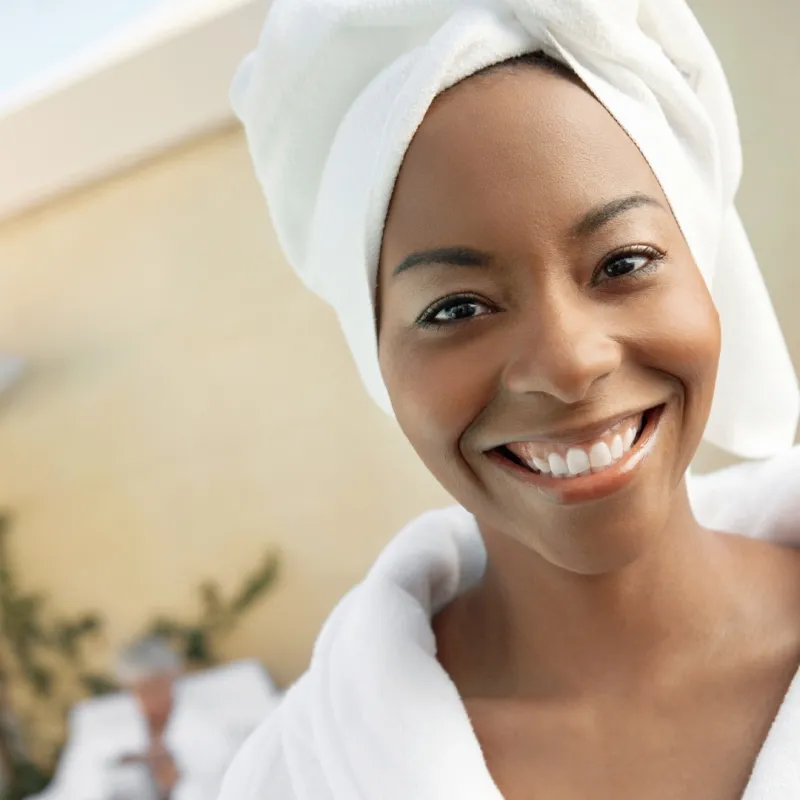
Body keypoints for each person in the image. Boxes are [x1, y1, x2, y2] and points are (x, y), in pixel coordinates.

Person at [220, 0, 800, 797]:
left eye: (624, 262)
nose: (566, 363)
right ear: (377, 360)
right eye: (456, 308)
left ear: (704, 271)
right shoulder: (298, 779)